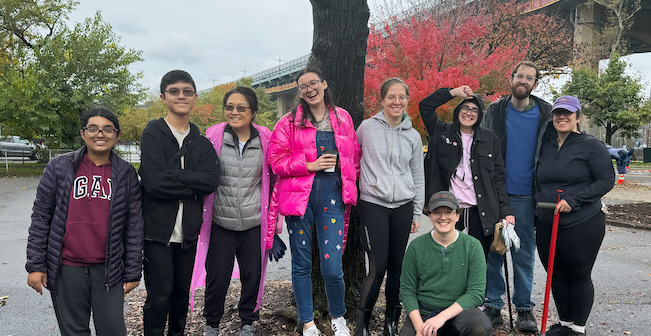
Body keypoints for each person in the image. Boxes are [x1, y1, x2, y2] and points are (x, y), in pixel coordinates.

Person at [26, 108, 144, 335]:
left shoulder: (126, 173)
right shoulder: (60, 167)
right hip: (66, 268)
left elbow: (134, 225)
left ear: (117, 135)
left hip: (109, 270)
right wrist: (36, 265)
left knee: (112, 330)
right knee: (74, 331)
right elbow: (41, 217)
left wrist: (132, 271)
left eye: (108, 129)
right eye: (93, 129)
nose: (100, 134)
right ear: (83, 133)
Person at [267, 67, 360, 336]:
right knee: (301, 264)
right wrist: (310, 164)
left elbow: (354, 156)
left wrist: (347, 183)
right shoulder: (287, 122)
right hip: (299, 199)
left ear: (324, 84)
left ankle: (338, 318)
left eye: (313, 83)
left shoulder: (342, 118)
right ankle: (307, 322)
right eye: (303, 86)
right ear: (299, 92)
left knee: (332, 267)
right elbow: (276, 162)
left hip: (333, 195)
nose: (309, 89)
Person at [189, 86, 285, 336]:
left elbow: (275, 182)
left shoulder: (266, 138)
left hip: (254, 223)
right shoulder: (213, 137)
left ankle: (248, 322)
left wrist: (275, 226)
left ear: (253, 112)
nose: (234, 112)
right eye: (229, 107)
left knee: (252, 275)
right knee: (216, 279)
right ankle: (211, 324)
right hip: (221, 222)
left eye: (241, 107)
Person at [139, 70, 220, 336]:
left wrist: (174, 175)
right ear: (163, 96)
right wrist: (190, 185)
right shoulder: (154, 133)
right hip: (157, 232)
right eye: (174, 91)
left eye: (187, 91)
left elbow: (210, 182)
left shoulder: (201, 142)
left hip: (188, 232)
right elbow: (153, 182)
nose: (181, 96)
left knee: (181, 294)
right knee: (159, 294)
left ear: (195, 97)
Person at [481, 61, 552, 332]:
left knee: (523, 254)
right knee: (493, 251)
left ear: (535, 83)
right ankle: (493, 305)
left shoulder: (546, 113)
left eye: (529, 78)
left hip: (526, 195)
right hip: (495, 193)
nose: (523, 81)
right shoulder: (495, 111)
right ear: (511, 79)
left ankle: (524, 310)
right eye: (519, 76)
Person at [534, 96, 614, 336]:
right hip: (547, 221)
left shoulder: (591, 146)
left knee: (578, 273)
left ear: (578, 117)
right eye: (558, 113)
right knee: (555, 273)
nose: (562, 117)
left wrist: (575, 199)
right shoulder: (545, 146)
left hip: (582, 222)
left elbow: (606, 180)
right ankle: (565, 323)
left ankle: (578, 328)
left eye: (568, 113)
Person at [355, 77, 424, 336]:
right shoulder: (366, 128)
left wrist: (416, 211)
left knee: (398, 267)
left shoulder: (413, 135)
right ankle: (362, 324)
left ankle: (391, 323)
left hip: (403, 206)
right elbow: (351, 159)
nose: (397, 102)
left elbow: (418, 175)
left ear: (407, 100)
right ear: (382, 100)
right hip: (374, 204)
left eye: (402, 97)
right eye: (391, 97)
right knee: (378, 266)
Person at [419, 86, 514, 259]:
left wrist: (506, 210)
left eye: (474, 110)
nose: (469, 113)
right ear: (458, 110)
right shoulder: (441, 131)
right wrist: (453, 93)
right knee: (446, 260)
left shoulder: (490, 139)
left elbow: (498, 178)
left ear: (479, 115)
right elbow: (425, 106)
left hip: (480, 210)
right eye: (465, 108)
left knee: (476, 261)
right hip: (449, 208)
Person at [399, 191, 492, 336]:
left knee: (479, 327)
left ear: (457, 215)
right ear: (429, 216)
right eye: (437, 212)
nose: (443, 217)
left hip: (460, 312)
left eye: (449, 212)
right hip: (424, 313)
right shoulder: (416, 247)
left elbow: (476, 294)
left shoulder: (473, 246)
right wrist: (420, 328)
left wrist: (441, 318)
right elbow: (407, 291)